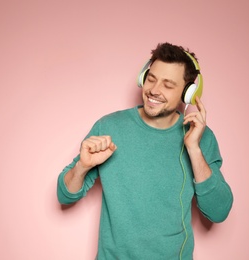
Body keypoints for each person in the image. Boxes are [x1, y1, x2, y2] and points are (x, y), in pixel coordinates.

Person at [57, 42, 233, 260]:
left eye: (168, 85)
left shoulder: (200, 136)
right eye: (151, 78)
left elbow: (218, 212)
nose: (154, 90)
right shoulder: (109, 126)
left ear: (188, 93)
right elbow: (64, 196)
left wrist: (194, 149)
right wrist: (82, 166)